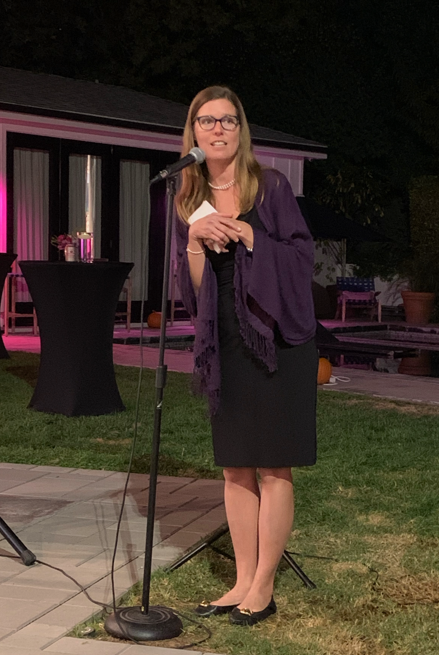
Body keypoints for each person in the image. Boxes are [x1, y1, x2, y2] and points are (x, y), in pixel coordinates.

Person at [175, 85, 317, 626]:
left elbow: (302, 258)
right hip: (227, 339)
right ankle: (240, 579)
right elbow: (190, 290)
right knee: (236, 465)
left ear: (241, 129)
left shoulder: (270, 186)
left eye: (228, 120)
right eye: (207, 121)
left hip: (277, 337)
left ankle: (265, 586)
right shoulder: (187, 196)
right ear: (193, 132)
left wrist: (250, 237)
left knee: (273, 464)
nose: (217, 130)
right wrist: (194, 238)